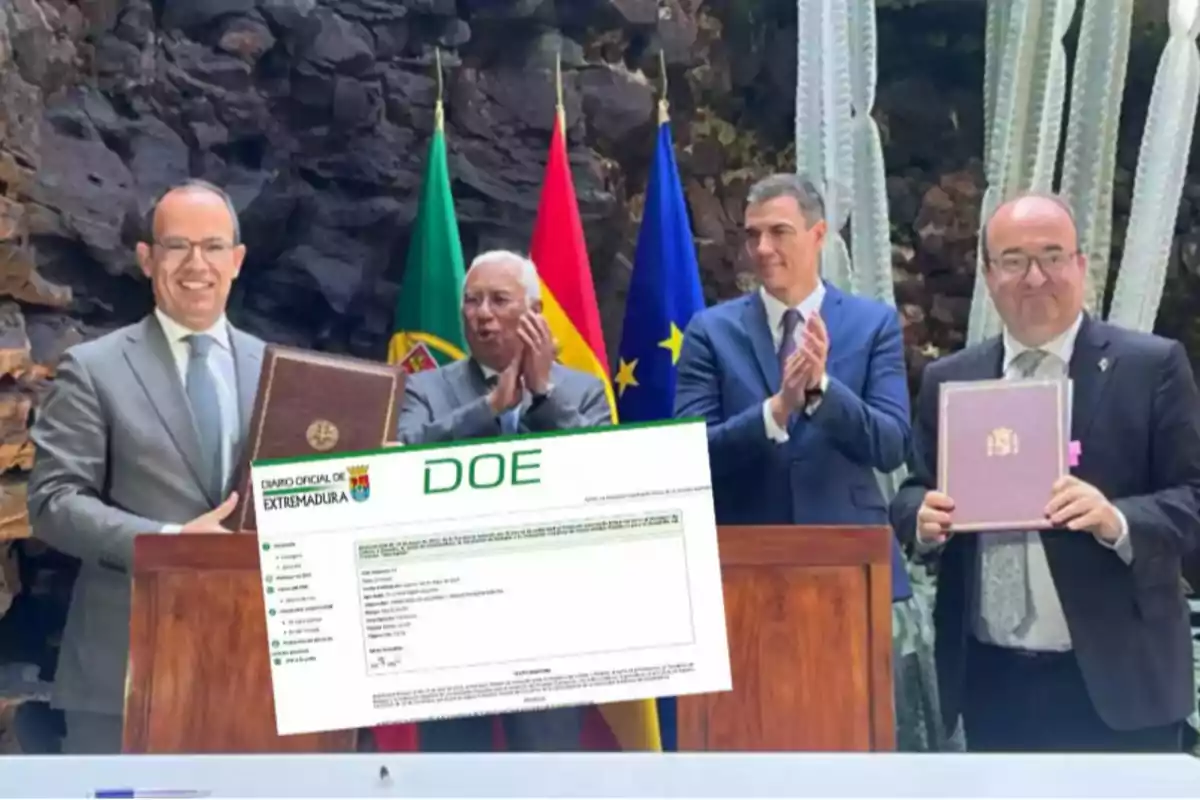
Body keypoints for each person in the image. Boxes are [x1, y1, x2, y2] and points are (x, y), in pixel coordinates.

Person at [890, 192, 1200, 752]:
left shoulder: (1150, 367)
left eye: (1052, 256)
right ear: (989, 275)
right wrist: (921, 516)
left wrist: (1118, 519)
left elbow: (1193, 498)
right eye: (1013, 261)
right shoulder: (951, 379)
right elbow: (914, 488)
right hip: (992, 681)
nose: (1035, 277)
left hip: (1119, 684)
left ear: (1081, 265)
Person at [27, 180, 264, 754]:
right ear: (146, 258)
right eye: (177, 245)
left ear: (236, 260)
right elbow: (53, 501)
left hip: (253, 674)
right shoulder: (92, 368)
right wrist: (170, 541)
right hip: (124, 677)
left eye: (212, 247)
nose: (196, 264)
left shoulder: (282, 372)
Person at [395, 249, 609, 750]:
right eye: (472, 301)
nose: (483, 313)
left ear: (534, 313)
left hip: (548, 617)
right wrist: (490, 408)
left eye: (499, 300)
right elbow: (401, 460)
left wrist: (543, 392)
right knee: (451, 771)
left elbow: (601, 472)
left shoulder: (583, 390)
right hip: (449, 611)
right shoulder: (424, 387)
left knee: (545, 770)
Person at [673, 173, 913, 601]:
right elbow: (690, 455)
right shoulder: (710, 332)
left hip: (849, 561)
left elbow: (891, 444)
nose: (763, 249)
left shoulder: (872, 324)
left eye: (779, 232)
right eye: (753, 235)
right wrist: (776, 411)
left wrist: (822, 389)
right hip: (746, 561)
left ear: (818, 235)